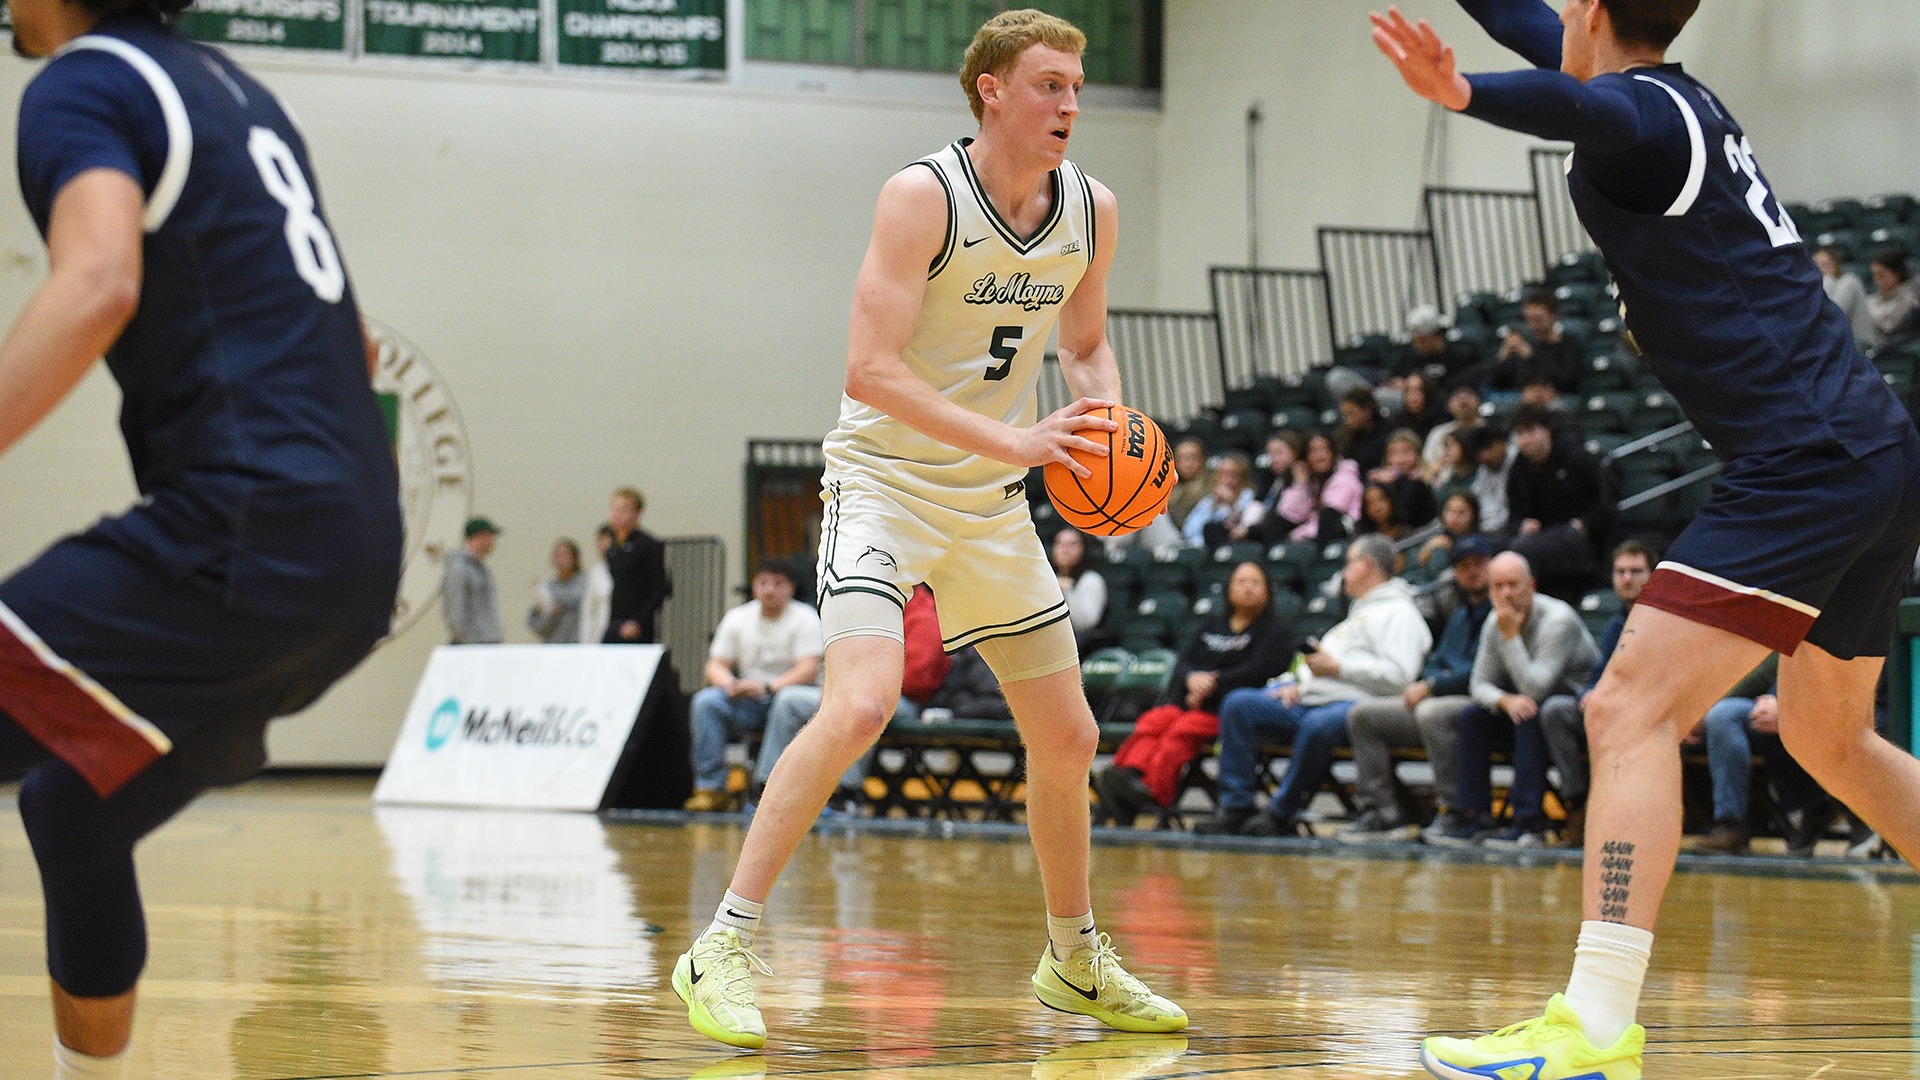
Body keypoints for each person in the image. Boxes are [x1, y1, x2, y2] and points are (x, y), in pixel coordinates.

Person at [1373, 4, 1920, 1076]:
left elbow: (1578, 104)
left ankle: (1594, 1022)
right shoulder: (1674, 96)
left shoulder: (1642, 114)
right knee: (1832, 741)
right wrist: (1483, 67)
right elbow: (1549, 46)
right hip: (1869, 449)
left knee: (1626, 710)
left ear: (1593, 12)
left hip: (1806, 459)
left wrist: (1462, 94)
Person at [671, 10, 1185, 1050]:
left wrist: (1105, 431)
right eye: (1048, 84)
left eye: (1077, 87)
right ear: (991, 89)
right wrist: (1017, 444)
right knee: (861, 704)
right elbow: (869, 371)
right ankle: (720, 944)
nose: (1070, 104)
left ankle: (1073, 957)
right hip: (884, 487)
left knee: (1071, 736)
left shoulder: (1092, 208)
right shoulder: (923, 197)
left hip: (989, 505)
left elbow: (1084, 347)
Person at [0, 0, 404, 1069]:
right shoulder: (237, 93)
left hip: (244, 529)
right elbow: (355, 348)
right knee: (74, 811)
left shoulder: (86, 80)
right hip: (356, 560)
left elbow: (97, 281)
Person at [1194, 534, 1431, 836]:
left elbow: (1400, 676)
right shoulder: (1359, 613)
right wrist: (1297, 683)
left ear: (1366, 565)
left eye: (1348, 563)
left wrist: (1339, 669)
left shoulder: (1400, 613)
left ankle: (1281, 812)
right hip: (1313, 699)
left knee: (1316, 725)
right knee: (1240, 703)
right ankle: (1236, 806)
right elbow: (1322, 665)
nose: (1344, 571)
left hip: (1359, 705)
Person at [1094, 562, 1295, 824]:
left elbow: (1260, 670)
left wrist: (1210, 685)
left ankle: (1152, 791)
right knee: (1155, 720)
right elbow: (1184, 662)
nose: (1248, 588)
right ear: (1228, 589)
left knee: (1183, 729)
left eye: (1256, 582)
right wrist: (1191, 679)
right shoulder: (1212, 626)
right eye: (1241, 582)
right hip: (1190, 702)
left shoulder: (1276, 631)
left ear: (1268, 591)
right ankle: (1127, 776)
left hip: (1225, 711)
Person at [1431, 551, 1600, 849]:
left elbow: (1536, 688)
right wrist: (1503, 701)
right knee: (1474, 716)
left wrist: (1510, 636)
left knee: (1529, 714)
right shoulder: (1495, 621)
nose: (1506, 594)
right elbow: (1479, 684)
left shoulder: (1558, 620)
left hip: (1572, 711)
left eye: (1513, 585)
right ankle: (1475, 817)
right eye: (1498, 586)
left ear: (1531, 585)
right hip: (1530, 705)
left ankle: (1528, 823)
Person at [1337, 534, 1497, 843]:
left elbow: (1483, 671)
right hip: (1440, 699)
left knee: (1431, 713)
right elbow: (1436, 661)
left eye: (1478, 563)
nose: (1471, 571)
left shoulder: (1499, 611)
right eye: (1463, 566)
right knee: (1363, 715)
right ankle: (1383, 812)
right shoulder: (1459, 616)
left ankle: (1455, 811)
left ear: (1491, 565)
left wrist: (1433, 685)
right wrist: (1429, 680)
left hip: (1479, 701)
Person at [750, 585, 949, 817]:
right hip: (853, 690)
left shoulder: (923, 614)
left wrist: (860, 686)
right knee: (789, 700)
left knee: (860, 706)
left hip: (904, 700)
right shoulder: (872, 604)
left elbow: (918, 680)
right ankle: (766, 789)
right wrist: (838, 684)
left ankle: (847, 795)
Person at [1535, 538, 1655, 849]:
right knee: (1556, 710)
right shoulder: (1616, 623)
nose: (1627, 579)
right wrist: (1588, 693)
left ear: (1652, 577)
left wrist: (1609, 698)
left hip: (1647, 714)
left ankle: (1625, 821)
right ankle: (1577, 806)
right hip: (1611, 711)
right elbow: (1601, 673)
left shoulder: (1664, 623)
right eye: (1620, 572)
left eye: (1636, 571)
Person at [684, 559, 823, 813]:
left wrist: (768, 687)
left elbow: (808, 669)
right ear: (754, 586)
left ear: (790, 588)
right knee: (706, 702)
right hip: (748, 700)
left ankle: (766, 787)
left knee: (786, 700)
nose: (770, 589)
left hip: (786, 699)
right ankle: (710, 788)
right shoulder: (737, 617)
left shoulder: (805, 617)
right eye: (763, 583)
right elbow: (715, 665)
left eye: (778, 583)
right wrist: (731, 684)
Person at [1683, 653, 1830, 856]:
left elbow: (1767, 670)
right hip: (1754, 698)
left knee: (1731, 715)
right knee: (1722, 716)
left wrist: (1700, 713)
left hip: (1797, 694)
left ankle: (1820, 808)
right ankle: (1730, 826)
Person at [1505, 402, 1613, 593]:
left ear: (1547, 430)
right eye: (1520, 433)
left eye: (1530, 431)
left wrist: (1584, 524)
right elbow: (1514, 515)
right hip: (1542, 536)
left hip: (1580, 536)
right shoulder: (1518, 469)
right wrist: (1521, 524)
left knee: (1521, 549)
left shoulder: (1574, 457)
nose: (1525, 439)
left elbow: (1607, 501)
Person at [603, 486, 672, 645]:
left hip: (636, 627)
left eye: (624, 509)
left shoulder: (647, 545)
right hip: (614, 622)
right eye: (615, 509)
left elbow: (661, 587)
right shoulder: (613, 549)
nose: (617, 514)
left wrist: (638, 621)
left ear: (637, 514)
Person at [1278, 431, 1365, 544]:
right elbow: (1288, 514)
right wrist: (1300, 484)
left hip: (1346, 537)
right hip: (1316, 536)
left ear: (1333, 453)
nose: (1320, 456)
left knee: (1327, 515)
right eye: (1313, 451)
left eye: (1324, 449)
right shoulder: (1312, 482)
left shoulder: (1345, 479)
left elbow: (1327, 521)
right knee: (1275, 522)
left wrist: (1297, 535)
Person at [443, 517, 504, 645]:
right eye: (490, 537)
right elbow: (456, 609)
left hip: (486, 641)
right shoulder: (459, 568)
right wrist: (467, 641)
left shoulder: (479, 568)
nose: (492, 542)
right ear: (480, 537)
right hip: (473, 644)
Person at [1049, 528, 1108, 651]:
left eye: (1072, 544)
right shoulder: (1049, 578)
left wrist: (1066, 591)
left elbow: (1085, 624)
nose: (1065, 549)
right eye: (1060, 543)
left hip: (1081, 645)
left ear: (1084, 549)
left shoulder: (1092, 580)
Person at [1180, 452, 1255, 548]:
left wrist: (1232, 504)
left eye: (1233, 475)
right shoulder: (1209, 501)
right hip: (1206, 549)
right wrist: (1212, 508)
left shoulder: (1249, 497)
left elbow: (1247, 529)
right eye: (1223, 474)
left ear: (1242, 478)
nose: (1227, 480)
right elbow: (1188, 530)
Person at [1410, 491, 1482, 585]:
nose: (1454, 518)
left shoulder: (1480, 541)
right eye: (1449, 511)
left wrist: (1452, 548)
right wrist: (1428, 549)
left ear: (1473, 515)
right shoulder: (1438, 536)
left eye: (1461, 512)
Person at [1812, 246, 1874, 349]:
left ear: (1836, 266)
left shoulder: (1850, 282)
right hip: (1834, 346)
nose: (1821, 270)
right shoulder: (1814, 289)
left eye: (1826, 265)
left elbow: (1832, 316)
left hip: (1858, 346)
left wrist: (1827, 281)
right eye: (1816, 266)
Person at [527, 538, 586, 645]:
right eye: (557, 555)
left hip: (579, 645)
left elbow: (576, 598)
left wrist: (554, 599)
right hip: (553, 645)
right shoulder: (547, 588)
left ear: (575, 557)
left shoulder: (587, 584)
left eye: (565, 555)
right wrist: (552, 614)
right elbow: (535, 623)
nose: (560, 560)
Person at [1867, 248, 1920, 352]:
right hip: (1861, 337)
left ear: (1897, 273)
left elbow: (1887, 328)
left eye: (1882, 275)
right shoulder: (1872, 298)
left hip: (1879, 344)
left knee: (1850, 283)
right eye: (1875, 275)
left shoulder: (1908, 297)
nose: (1877, 280)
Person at [1336, 386, 1392, 475]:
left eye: (1351, 414)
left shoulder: (1387, 436)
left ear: (1367, 411)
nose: (1348, 420)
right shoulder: (1344, 436)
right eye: (1345, 415)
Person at [578, 524, 616, 645]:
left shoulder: (629, 568)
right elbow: (588, 610)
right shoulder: (596, 572)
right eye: (599, 541)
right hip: (600, 632)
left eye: (606, 540)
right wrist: (585, 643)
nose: (602, 545)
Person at [1163, 437, 1210, 533]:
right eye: (1182, 458)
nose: (1188, 463)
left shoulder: (1212, 486)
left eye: (1193, 457)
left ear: (1202, 459)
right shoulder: (1166, 485)